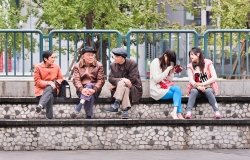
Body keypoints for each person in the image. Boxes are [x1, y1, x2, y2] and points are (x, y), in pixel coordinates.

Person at [105, 47, 142, 119]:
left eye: (116, 57)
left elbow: (133, 79)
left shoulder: (132, 63)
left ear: (122, 58)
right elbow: (110, 78)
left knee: (124, 85)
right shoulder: (113, 65)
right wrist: (122, 79)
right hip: (122, 89)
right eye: (114, 56)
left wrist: (118, 83)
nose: (114, 58)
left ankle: (116, 104)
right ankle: (125, 111)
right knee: (124, 87)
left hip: (133, 88)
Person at [185, 47, 221, 119]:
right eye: (190, 55)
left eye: (192, 54)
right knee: (193, 91)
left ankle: (217, 112)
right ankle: (188, 112)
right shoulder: (190, 66)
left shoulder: (208, 63)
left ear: (198, 54)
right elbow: (191, 80)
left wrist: (202, 84)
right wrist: (198, 87)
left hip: (208, 88)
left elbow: (214, 77)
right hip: (197, 88)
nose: (190, 56)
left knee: (208, 91)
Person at [150, 50, 184, 119]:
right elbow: (156, 79)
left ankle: (175, 112)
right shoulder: (155, 62)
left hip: (165, 87)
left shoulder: (166, 64)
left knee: (177, 89)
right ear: (165, 56)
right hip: (157, 90)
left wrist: (172, 72)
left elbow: (169, 80)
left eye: (171, 61)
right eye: (169, 60)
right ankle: (178, 113)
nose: (169, 62)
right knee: (178, 92)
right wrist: (167, 70)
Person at [72, 46, 105, 119]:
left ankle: (81, 103)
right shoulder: (77, 66)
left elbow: (101, 80)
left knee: (89, 85)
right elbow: (76, 80)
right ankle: (89, 115)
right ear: (83, 56)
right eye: (88, 55)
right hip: (81, 90)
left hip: (95, 90)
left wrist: (95, 89)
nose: (91, 57)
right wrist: (81, 89)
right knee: (88, 89)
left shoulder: (99, 65)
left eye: (92, 55)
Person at [34, 50, 63, 119]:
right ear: (45, 59)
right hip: (41, 91)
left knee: (50, 87)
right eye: (52, 58)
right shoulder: (38, 67)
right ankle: (49, 117)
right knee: (50, 96)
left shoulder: (57, 66)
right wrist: (48, 83)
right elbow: (37, 81)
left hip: (54, 89)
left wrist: (54, 83)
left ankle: (41, 105)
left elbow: (60, 78)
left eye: (54, 57)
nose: (54, 59)